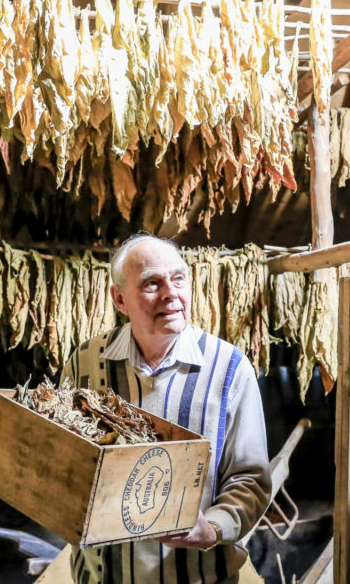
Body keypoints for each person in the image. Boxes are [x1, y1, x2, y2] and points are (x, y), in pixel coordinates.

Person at [62, 233, 272, 583]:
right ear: (120, 299)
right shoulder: (86, 362)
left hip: (198, 577)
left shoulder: (229, 367)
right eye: (152, 283)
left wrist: (213, 529)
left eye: (178, 279)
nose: (170, 293)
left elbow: (250, 478)